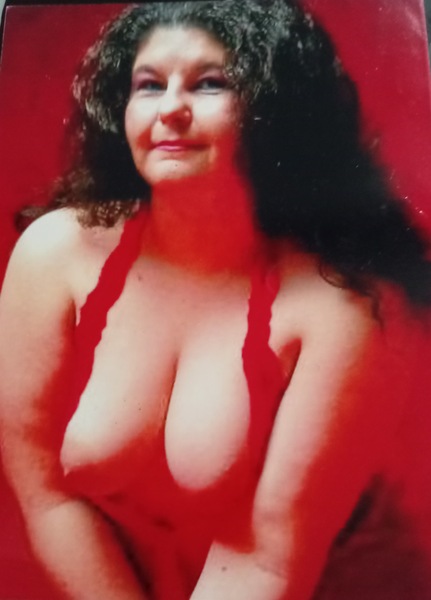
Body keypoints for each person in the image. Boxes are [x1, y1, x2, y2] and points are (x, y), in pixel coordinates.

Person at [1, 1, 431, 599]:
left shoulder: (339, 307)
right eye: (149, 85)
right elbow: (45, 494)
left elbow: (268, 560)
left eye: (209, 84)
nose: (170, 109)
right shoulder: (55, 251)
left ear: (273, 107)